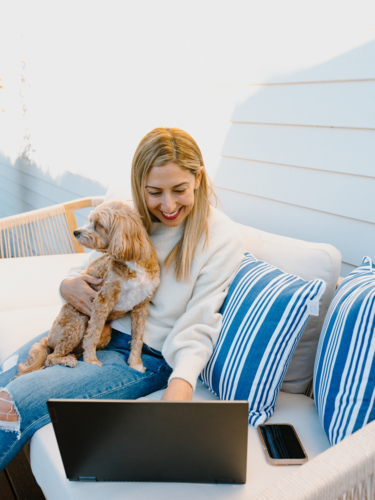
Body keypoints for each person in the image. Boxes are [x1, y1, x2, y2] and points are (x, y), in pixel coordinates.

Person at [0, 127, 245, 470]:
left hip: (144, 357)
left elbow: (199, 322)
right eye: (154, 192)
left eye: (179, 190)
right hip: (92, 331)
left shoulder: (221, 238)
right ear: (138, 185)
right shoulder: (129, 215)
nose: (168, 205)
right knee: (3, 374)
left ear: (198, 178)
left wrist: (181, 387)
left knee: (12, 402)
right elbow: (91, 263)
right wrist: (67, 284)